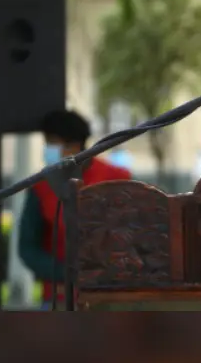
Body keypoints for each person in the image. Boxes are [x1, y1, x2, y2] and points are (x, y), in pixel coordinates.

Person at [18, 109, 131, 307]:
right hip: (59, 297)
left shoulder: (117, 178)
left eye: (53, 143)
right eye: (47, 143)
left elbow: (134, 234)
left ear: (75, 145)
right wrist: (67, 273)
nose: (48, 150)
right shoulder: (41, 186)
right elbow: (27, 247)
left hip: (110, 296)